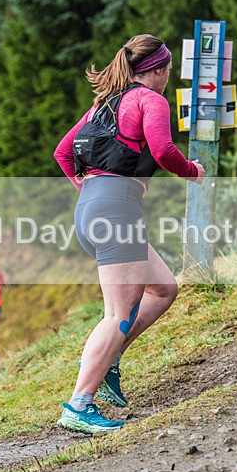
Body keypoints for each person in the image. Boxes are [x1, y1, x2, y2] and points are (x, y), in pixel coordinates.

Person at [53, 34, 205, 433]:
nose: (168, 77)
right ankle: (79, 405)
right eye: (168, 70)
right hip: (116, 210)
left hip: (91, 208)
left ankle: (110, 358)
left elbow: (63, 152)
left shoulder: (103, 103)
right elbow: (163, 150)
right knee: (118, 313)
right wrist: (192, 171)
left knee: (163, 288)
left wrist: (91, 191)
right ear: (157, 69)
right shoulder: (150, 100)